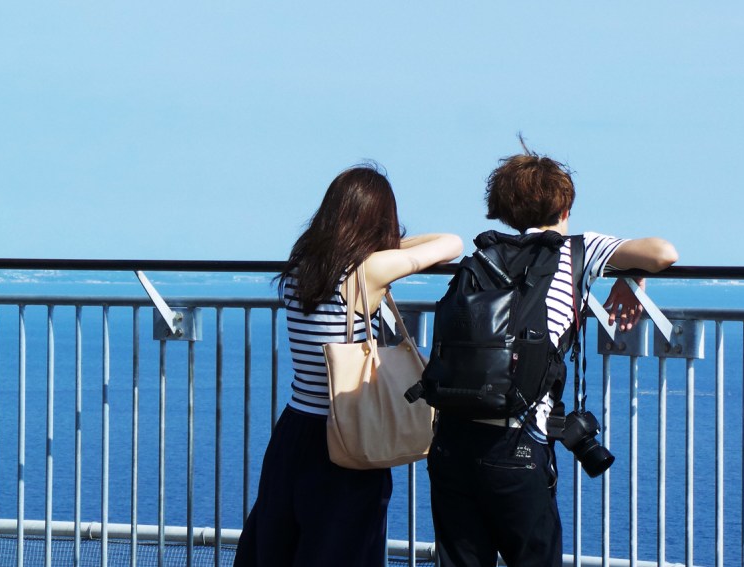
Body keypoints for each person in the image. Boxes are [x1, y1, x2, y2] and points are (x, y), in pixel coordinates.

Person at [426, 143, 678, 567]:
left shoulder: (482, 257)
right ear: (565, 209)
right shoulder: (577, 249)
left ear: (504, 211)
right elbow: (663, 252)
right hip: (517, 442)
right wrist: (632, 272)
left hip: (451, 440)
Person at [234, 164, 463, 567]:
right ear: (378, 222)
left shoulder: (300, 267)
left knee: (280, 544)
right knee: (343, 549)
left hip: (293, 432)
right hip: (347, 434)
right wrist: (392, 245)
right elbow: (451, 244)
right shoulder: (368, 270)